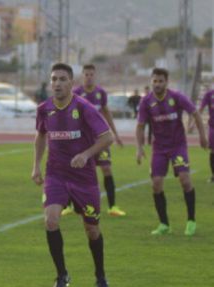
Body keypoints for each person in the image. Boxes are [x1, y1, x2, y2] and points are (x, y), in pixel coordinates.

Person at [32, 63, 114, 287]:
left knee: (92, 229)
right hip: (56, 175)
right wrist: (35, 166)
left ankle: (100, 274)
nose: (57, 83)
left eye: (62, 79)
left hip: (84, 178)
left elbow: (107, 136)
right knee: (51, 220)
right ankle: (61, 275)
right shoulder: (44, 109)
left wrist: (86, 154)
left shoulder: (84, 107)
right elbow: (40, 136)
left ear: (71, 83)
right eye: (54, 79)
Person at [135, 67, 208, 236]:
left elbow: (195, 114)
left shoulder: (176, 97)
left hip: (178, 146)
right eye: (154, 81)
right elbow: (140, 127)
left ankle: (191, 221)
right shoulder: (146, 102)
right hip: (159, 149)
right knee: (156, 184)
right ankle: (164, 224)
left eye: (161, 81)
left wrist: (202, 137)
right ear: (151, 81)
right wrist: (139, 148)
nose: (157, 84)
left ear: (166, 82)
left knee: (185, 179)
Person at [71, 64, 127, 217]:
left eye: (91, 74)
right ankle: (70, 204)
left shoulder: (100, 93)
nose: (89, 77)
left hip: (99, 140)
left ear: (95, 76)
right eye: (86, 74)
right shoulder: (76, 93)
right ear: (82, 76)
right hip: (81, 141)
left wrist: (115, 134)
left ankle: (113, 206)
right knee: (75, 170)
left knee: (106, 169)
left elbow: (106, 113)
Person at [194, 85, 214, 183]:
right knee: (213, 151)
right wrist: (194, 122)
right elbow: (200, 109)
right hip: (213, 127)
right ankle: (213, 176)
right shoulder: (209, 94)